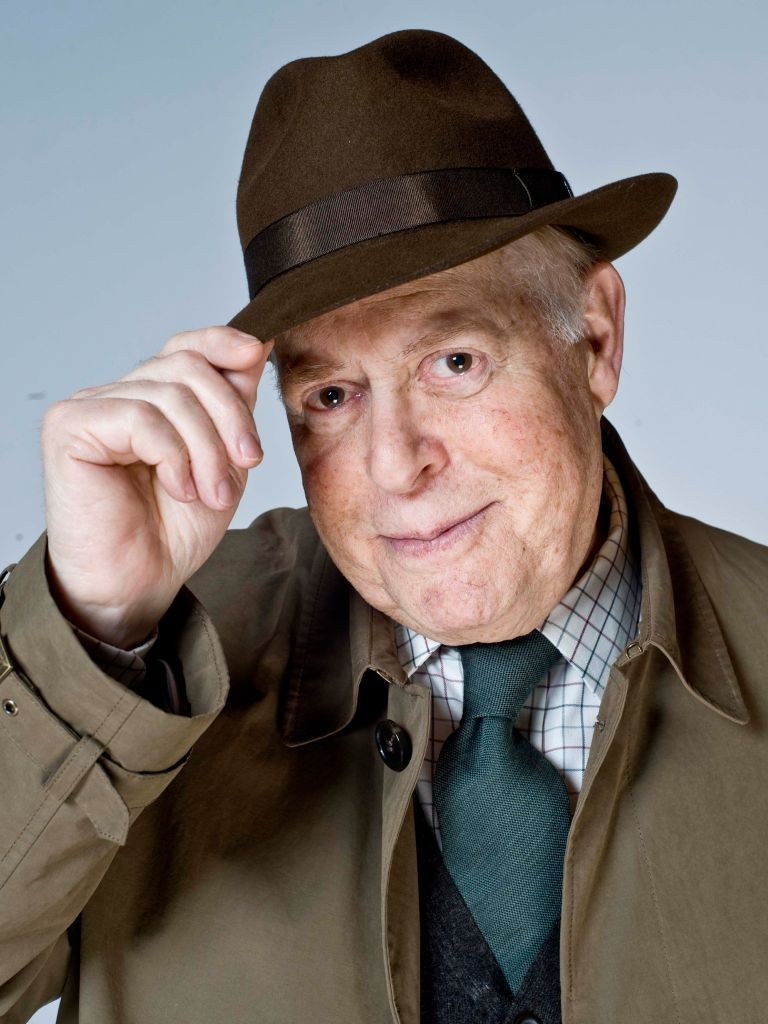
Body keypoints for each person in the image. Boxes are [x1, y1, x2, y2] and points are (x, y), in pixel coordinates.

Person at [0, 28, 766, 1024]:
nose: (395, 464)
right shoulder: (149, 668)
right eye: (330, 396)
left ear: (595, 337)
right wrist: (91, 636)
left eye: (454, 362)